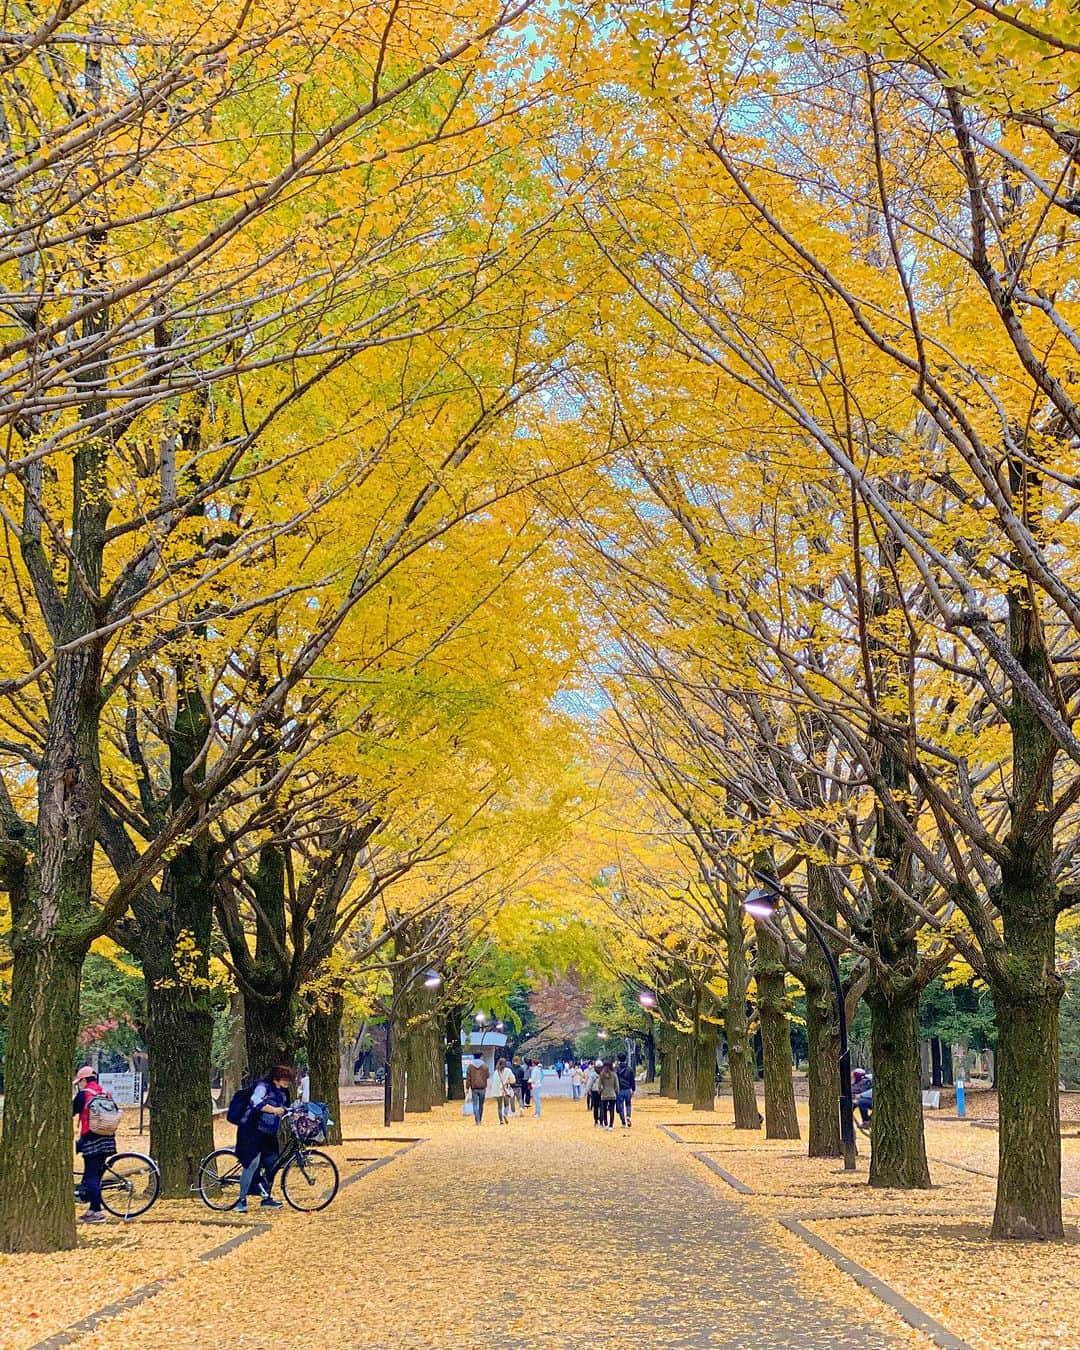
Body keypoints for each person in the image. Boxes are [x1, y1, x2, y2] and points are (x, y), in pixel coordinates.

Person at [236, 1065, 293, 1213]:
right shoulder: (263, 1087)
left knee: (272, 1163)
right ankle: (241, 1200)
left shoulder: (283, 1092)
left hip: (268, 1132)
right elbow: (255, 1102)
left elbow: (287, 1107)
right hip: (251, 1130)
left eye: (288, 1079)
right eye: (285, 1079)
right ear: (276, 1078)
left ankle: (266, 1197)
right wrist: (273, 1110)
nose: (287, 1082)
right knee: (252, 1163)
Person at [72, 1065, 112, 1223]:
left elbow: (71, 1110)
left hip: (92, 1140)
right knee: (94, 1175)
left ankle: (96, 1212)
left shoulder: (84, 1094)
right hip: (108, 1139)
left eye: (79, 1082)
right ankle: (90, 1208)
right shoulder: (103, 1092)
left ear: (83, 1080)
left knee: (91, 1177)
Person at [465, 1051, 490, 1125]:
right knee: (481, 1105)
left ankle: (477, 1120)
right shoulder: (485, 1066)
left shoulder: (470, 1066)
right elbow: (488, 1075)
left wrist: (467, 1087)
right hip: (482, 1087)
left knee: (475, 1104)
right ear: (481, 1056)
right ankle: (480, 1119)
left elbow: (468, 1078)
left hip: (474, 1088)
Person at [597, 1058, 619, 1130]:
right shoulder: (614, 1074)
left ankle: (605, 1124)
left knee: (604, 1110)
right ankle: (611, 1125)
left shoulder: (601, 1075)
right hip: (612, 1094)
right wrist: (616, 1092)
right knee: (612, 1110)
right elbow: (617, 1086)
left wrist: (600, 1091)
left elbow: (599, 1086)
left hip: (604, 1095)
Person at [615, 1052, 635, 1128]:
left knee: (620, 1106)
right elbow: (632, 1080)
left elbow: (615, 1080)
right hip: (627, 1089)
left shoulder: (616, 1069)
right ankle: (628, 1116)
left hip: (619, 1089)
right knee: (628, 1104)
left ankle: (623, 1122)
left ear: (618, 1059)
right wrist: (633, 1089)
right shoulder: (629, 1069)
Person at [585, 1060, 602, 1126]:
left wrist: (587, 1090)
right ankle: (601, 1120)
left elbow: (589, 1084)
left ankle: (596, 1121)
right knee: (602, 1107)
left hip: (594, 1091)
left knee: (595, 1107)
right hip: (602, 1091)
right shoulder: (603, 1073)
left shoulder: (592, 1074)